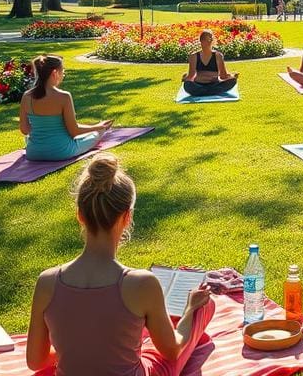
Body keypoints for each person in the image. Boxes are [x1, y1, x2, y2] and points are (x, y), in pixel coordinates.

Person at [26, 154, 216, 375]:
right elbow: (172, 350)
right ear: (127, 217)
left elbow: (35, 361)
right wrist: (190, 310)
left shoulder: (47, 282)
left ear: (80, 215)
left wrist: (73, 349)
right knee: (204, 307)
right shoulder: (142, 284)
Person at [20, 55, 111, 162]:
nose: (63, 74)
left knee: (29, 139)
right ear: (54, 73)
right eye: (62, 71)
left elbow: (25, 130)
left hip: (34, 153)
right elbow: (74, 131)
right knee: (96, 134)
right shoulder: (64, 96)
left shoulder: (27, 96)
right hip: (61, 152)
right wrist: (98, 127)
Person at [181, 30, 238, 96]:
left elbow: (223, 76)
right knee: (187, 85)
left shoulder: (218, 56)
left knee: (233, 81)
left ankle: (204, 92)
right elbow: (191, 76)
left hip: (214, 84)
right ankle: (210, 92)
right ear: (201, 41)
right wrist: (185, 79)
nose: (208, 42)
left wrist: (232, 76)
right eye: (206, 40)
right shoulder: (194, 56)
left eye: (209, 39)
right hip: (199, 85)